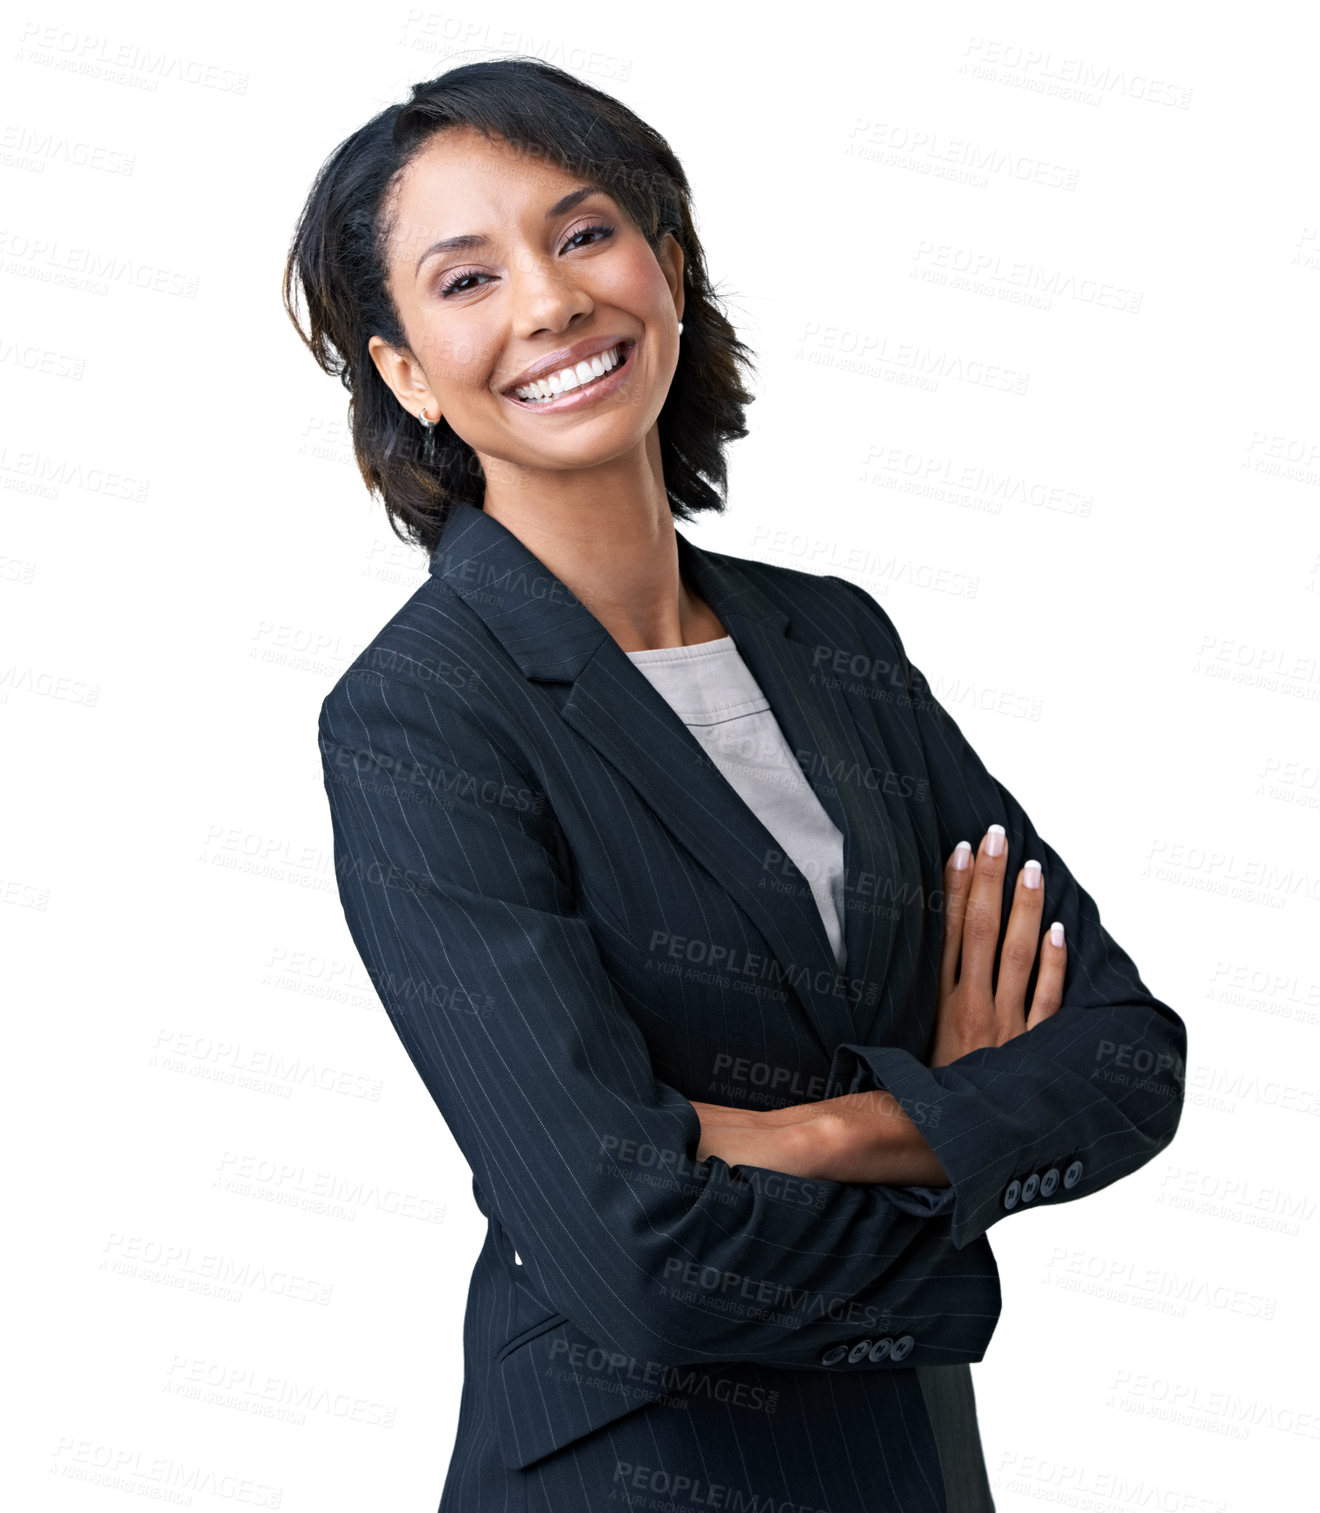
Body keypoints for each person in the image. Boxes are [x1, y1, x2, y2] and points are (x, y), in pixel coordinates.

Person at [283, 56, 1186, 1513]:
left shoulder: (832, 637)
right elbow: (630, 1250)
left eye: (584, 234)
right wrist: (955, 1144)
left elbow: (1128, 1057)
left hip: (908, 1469)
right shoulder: (421, 717)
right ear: (403, 373)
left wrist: (817, 1131)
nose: (549, 300)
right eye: (465, 280)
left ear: (671, 269)